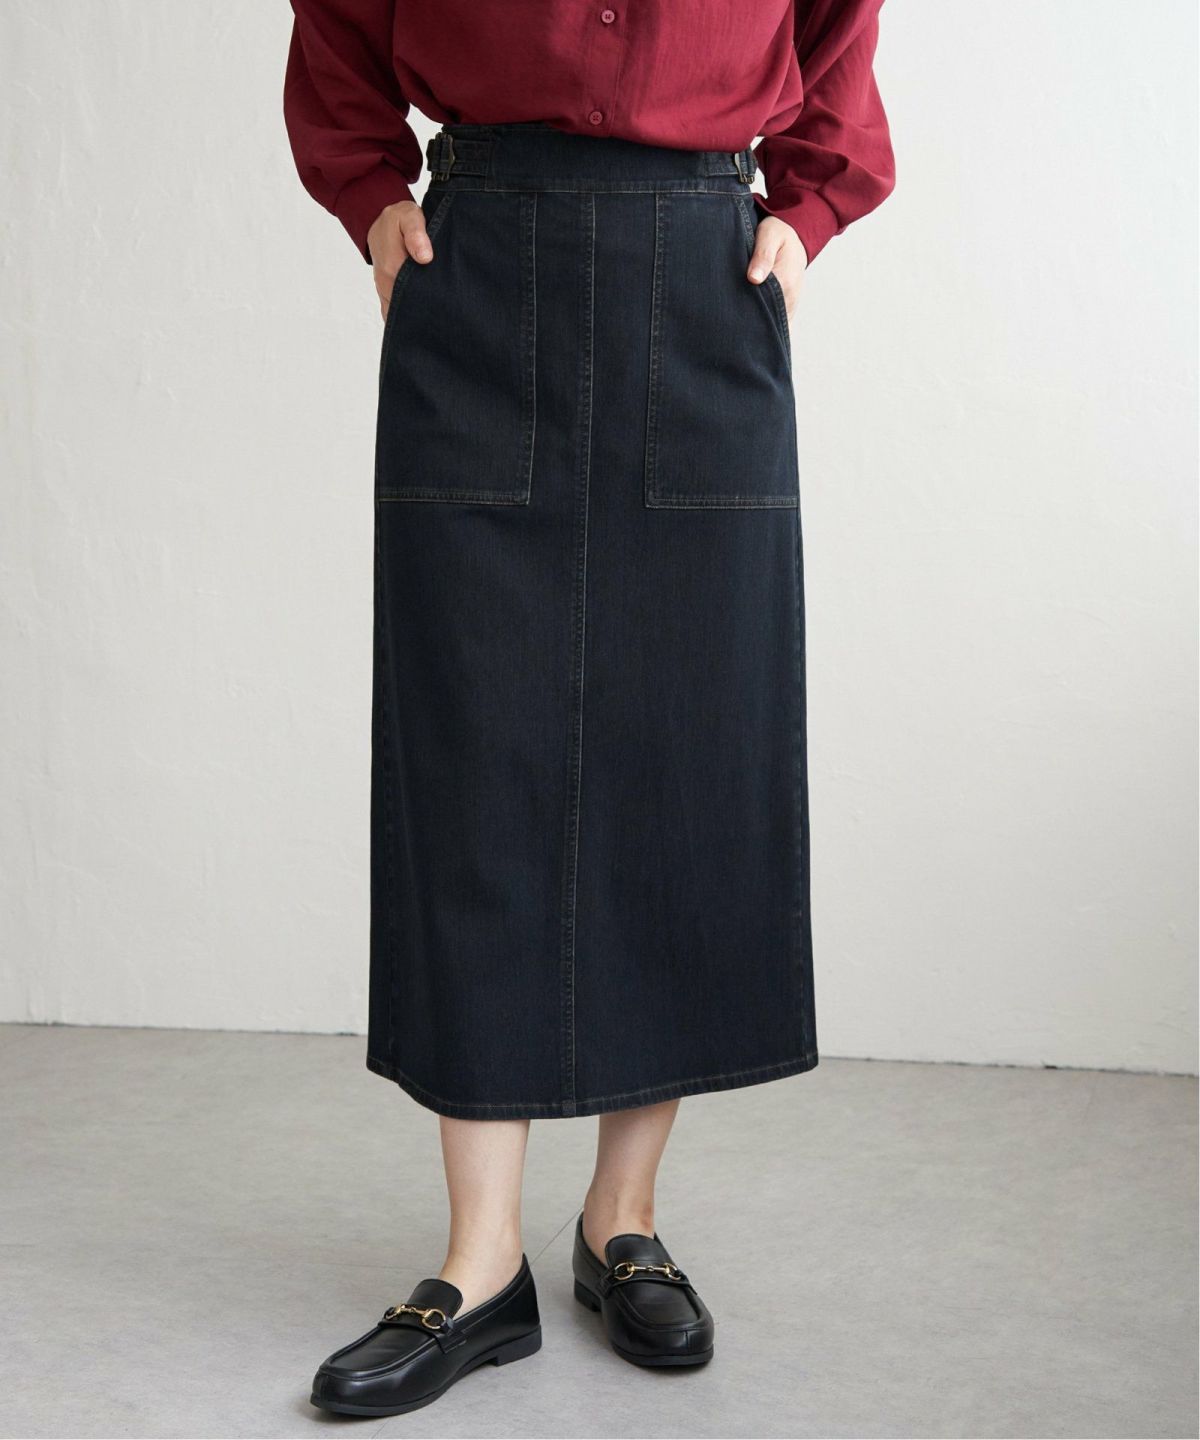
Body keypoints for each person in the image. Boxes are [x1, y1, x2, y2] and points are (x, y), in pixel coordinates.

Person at [283, 0, 894, 1417]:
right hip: (479, 273)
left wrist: (804, 214)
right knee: (472, 754)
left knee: (680, 752)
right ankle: (480, 1262)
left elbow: (841, 30)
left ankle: (623, 1221)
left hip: (704, 280)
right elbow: (335, 24)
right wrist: (372, 197)